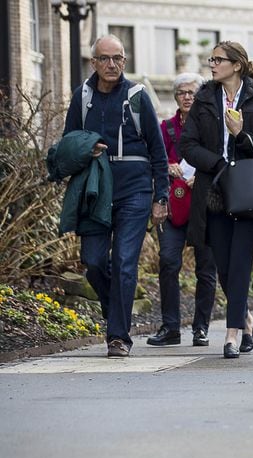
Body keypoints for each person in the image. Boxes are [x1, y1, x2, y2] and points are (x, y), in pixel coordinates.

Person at [62, 34, 169, 357]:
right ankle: (115, 313)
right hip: (95, 189)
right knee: (93, 261)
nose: (112, 65)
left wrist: (160, 195)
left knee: (124, 261)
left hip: (134, 189)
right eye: (105, 59)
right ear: (93, 62)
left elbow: (158, 151)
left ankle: (118, 337)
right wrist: (85, 147)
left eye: (118, 58)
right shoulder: (82, 96)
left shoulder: (137, 96)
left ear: (125, 60)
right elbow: (68, 142)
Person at [180, 41, 253, 358]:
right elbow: (188, 145)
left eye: (217, 59)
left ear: (236, 65)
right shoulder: (204, 99)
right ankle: (247, 320)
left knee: (240, 264)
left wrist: (241, 136)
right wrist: (218, 163)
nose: (211, 64)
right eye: (211, 59)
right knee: (222, 265)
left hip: (248, 191)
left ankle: (232, 333)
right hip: (213, 191)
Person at [147, 73, 217, 348]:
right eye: (182, 93)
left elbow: (220, 159)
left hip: (205, 207)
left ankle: (201, 328)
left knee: (206, 269)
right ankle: (171, 328)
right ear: (175, 97)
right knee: (168, 262)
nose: (187, 97)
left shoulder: (211, 126)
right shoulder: (165, 128)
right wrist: (166, 167)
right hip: (173, 207)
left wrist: (202, 174)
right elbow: (154, 159)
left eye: (192, 92)